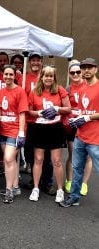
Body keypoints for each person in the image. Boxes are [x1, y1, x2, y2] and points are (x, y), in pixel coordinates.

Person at [28, 65, 71, 203]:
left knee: (57, 161)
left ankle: (59, 190)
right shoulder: (34, 91)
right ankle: (36, 188)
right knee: (38, 159)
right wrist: (39, 113)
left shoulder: (60, 90)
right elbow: (29, 111)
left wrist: (57, 109)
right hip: (39, 128)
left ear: (54, 78)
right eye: (46, 75)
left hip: (54, 128)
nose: (48, 78)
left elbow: (68, 108)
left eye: (51, 76)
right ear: (41, 77)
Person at [60, 58, 99, 208]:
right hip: (80, 136)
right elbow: (83, 111)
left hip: (96, 138)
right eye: (84, 68)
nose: (86, 70)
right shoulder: (82, 89)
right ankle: (74, 197)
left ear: (95, 69)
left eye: (90, 67)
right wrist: (76, 119)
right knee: (76, 168)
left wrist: (88, 117)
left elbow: (89, 114)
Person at [22, 52, 55, 195]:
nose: (35, 62)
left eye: (38, 60)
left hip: (47, 123)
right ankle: (34, 179)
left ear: (42, 62)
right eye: (33, 60)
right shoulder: (24, 77)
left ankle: (47, 182)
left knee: (47, 155)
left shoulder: (47, 76)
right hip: (31, 122)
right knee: (32, 154)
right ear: (29, 62)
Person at [0, 65, 28, 203]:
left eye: (11, 74)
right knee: (10, 160)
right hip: (3, 130)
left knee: (8, 159)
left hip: (15, 130)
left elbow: (22, 114)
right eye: (6, 74)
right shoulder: (1, 91)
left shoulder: (20, 91)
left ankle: (8, 190)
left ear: (15, 76)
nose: (8, 77)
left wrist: (21, 133)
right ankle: (15, 187)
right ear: (3, 75)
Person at [64, 60, 92, 195]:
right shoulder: (67, 89)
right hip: (73, 126)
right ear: (69, 74)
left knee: (87, 157)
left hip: (88, 124)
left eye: (78, 72)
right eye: (72, 72)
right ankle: (69, 180)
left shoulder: (89, 86)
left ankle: (84, 184)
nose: (75, 74)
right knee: (72, 155)